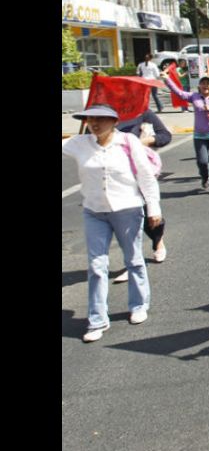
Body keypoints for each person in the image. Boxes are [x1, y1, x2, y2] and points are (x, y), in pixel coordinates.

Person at [62, 104, 161, 342]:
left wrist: (153, 208)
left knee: (133, 259)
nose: (94, 123)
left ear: (114, 121)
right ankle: (97, 319)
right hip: (94, 212)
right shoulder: (78, 143)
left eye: (101, 119)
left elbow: (145, 175)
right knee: (96, 265)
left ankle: (138, 305)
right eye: (90, 119)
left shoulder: (127, 141)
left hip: (127, 209)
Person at [112, 110, 172, 284]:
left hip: (138, 172)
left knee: (148, 214)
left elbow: (165, 136)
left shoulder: (142, 112)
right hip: (113, 176)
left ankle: (158, 240)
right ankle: (132, 264)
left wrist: (140, 142)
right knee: (124, 220)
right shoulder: (103, 112)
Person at [161, 70, 209, 196]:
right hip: (200, 135)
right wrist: (167, 79)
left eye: (208, 83)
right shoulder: (194, 97)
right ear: (199, 86)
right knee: (202, 161)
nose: (205, 85)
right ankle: (204, 177)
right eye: (203, 83)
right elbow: (178, 92)